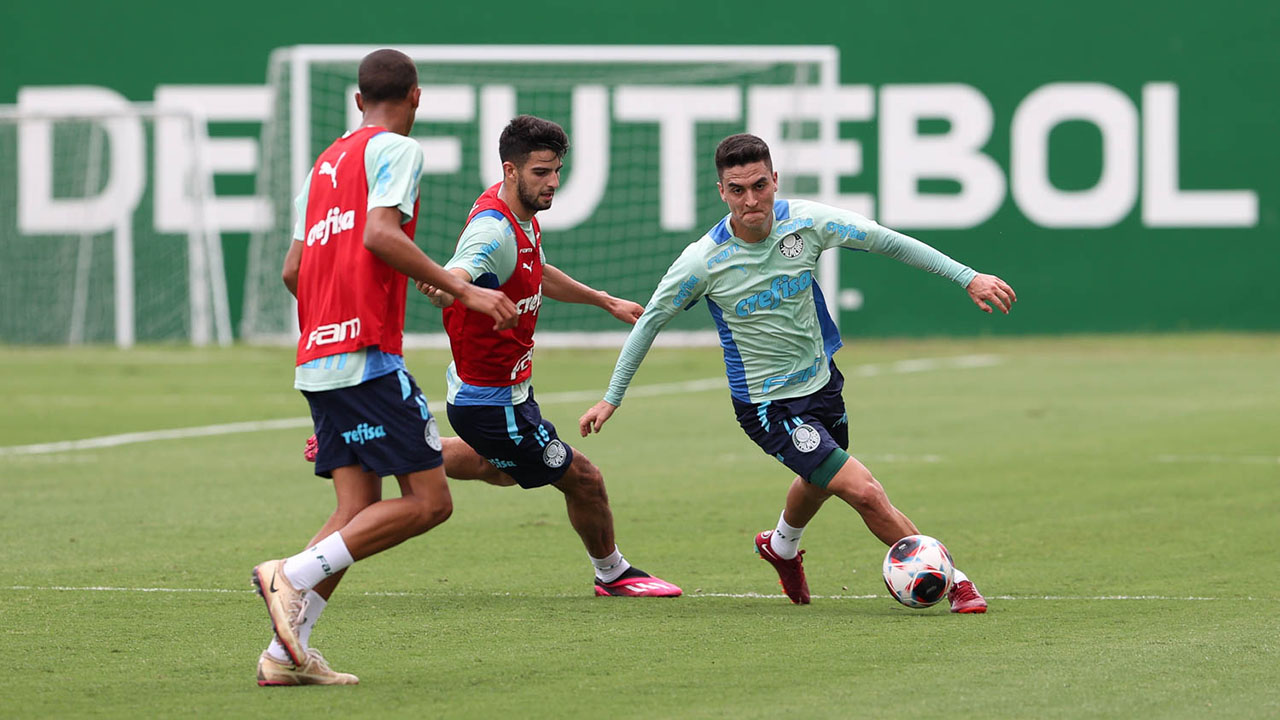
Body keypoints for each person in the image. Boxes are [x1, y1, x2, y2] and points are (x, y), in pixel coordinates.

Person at [579, 133, 1016, 612]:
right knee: (863, 491)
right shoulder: (702, 262)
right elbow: (649, 323)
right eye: (737, 190)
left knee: (820, 480)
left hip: (823, 384)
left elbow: (888, 241)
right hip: (766, 405)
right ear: (722, 192)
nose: (751, 200)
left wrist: (967, 276)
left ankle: (781, 545)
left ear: (774, 180)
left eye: (759, 186)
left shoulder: (808, 222)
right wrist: (612, 396)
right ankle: (956, 583)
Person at [251, 49, 518, 687]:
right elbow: (379, 233)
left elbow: (293, 270)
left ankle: (285, 655)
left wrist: (328, 317)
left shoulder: (322, 166)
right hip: (366, 357)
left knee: (355, 509)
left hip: (317, 357)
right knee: (429, 502)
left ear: (357, 99)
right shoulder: (396, 149)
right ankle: (290, 573)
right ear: (416, 97)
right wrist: (465, 290)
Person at [420, 115, 681, 598]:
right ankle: (613, 573)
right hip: (492, 402)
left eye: (557, 170)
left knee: (497, 469)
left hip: (497, 391)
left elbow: (534, 269)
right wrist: (446, 286)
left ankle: (384, 448)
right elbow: (462, 268)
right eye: (541, 172)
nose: (554, 182)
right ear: (511, 170)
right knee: (583, 478)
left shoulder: (517, 216)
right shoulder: (493, 230)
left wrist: (603, 300)